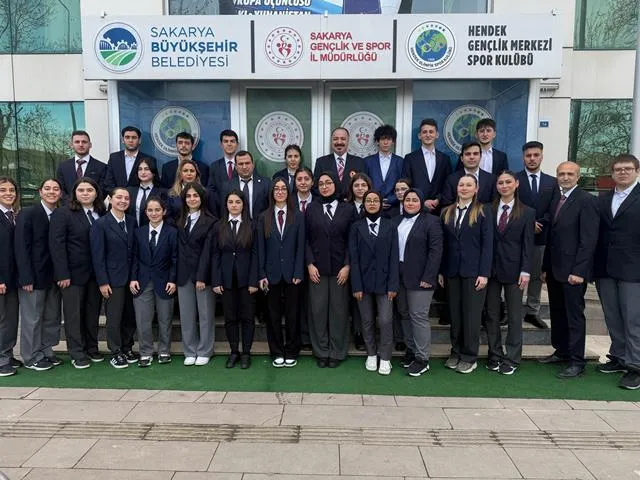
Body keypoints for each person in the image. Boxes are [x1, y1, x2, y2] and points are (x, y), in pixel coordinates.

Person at [540, 161, 599, 378]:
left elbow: (588, 240)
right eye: (561, 174)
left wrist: (580, 271)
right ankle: (562, 350)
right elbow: (552, 236)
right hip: (555, 269)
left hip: (573, 271)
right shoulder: (557, 198)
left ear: (578, 176)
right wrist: (545, 267)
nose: (565, 177)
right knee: (558, 312)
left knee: (574, 316)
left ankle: (577, 360)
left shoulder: (586, 201)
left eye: (569, 174)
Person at [594, 154, 640, 389]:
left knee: (633, 319)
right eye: (618, 169)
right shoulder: (604, 199)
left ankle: (635, 366)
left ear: (636, 171)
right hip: (605, 268)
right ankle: (620, 357)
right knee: (612, 316)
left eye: (627, 169)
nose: (622, 172)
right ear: (612, 173)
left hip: (633, 269)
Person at [439, 174, 493, 374]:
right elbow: (444, 245)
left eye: (469, 185)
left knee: (471, 316)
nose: (464, 188)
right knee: (455, 315)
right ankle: (456, 351)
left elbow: (488, 245)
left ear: (476, 189)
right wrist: (442, 271)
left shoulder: (483, 211)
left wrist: (484, 273)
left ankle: (470, 356)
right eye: (461, 185)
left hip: (474, 273)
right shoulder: (447, 212)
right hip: (452, 272)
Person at [49, 177, 105, 369]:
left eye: (90, 190)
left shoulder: (100, 212)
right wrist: (62, 273)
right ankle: (77, 352)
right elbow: (57, 245)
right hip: (72, 275)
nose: (85, 193)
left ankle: (91, 347)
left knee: (92, 313)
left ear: (96, 193)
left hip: (95, 274)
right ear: (74, 193)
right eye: (81, 190)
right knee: (74, 315)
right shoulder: (63, 213)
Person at [485, 171, 535, 375]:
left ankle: (512, 357)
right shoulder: (488, 209)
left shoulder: (527, 212)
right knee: (491, 314)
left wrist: (526, 270)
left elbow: (528, 244)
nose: (504, 186)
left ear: (516, 184)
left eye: (508, 182)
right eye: (500, 183)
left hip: (515, 270)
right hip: (491, 269)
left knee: (514, 315)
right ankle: (494, 353)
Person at [305, 172, 356, 368]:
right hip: (316, 269)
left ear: (336, 185)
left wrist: (347, 265)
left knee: (339, 311)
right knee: (317, 311)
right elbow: (306, 239)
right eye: (321, 184)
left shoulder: (348, 209)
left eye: (328, 183)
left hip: (340, 269)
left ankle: (337, 351)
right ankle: (321, 351)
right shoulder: (311, 209)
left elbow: (353, 240)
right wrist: (309, 263)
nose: (325, 186)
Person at [350, 190, 400, 375]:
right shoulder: (356, 227)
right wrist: (356, 285)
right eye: (368, 201)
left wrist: (393, 285)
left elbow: (394, 257)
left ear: (381, 204)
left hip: (385, 283)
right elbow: (353, 259)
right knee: (367, 320)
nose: (372, 203)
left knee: (386, 321)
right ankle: (371, 354)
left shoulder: (390, 226)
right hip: (363, 283)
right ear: (364, 205)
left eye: (375, 200)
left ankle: (385, 357)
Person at [15, 178, 63, 372]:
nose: (52, 192)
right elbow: (21, 247)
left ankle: (46, 350)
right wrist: (25, 277)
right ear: (40, 192)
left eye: (56, 189)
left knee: (51, 316)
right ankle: (31, 355)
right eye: (48, 189)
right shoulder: (28, 213)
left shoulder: (59, 214)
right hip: (33, 277)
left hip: (54, 276)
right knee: (32, 318)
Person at [394, 188, 443, 376]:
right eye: (407, 200)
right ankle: (411, 350)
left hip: (421, 278)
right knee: (404, 313)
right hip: (399, 276)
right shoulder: (397, 221)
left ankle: (423, 358)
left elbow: (435, 251)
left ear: (421, 202)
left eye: (414, 200)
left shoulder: (431, 222)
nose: (410, 203)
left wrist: (429, 277)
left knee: (418, 316)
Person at [257, 179, 305, 367]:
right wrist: (261, 274)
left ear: (288, 192)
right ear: (271, 193)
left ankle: (292, 350)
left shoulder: (298, 216)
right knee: (273, 315)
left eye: (283, 188)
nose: (280, 191)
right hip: (271, 274)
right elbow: (261, 248)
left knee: (293, 314)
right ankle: (276, 351)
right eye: (276, 189)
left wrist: (299, 271)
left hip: (293, 273)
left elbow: (300, 246)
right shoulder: (264, 217)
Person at [90, 187, 137, 369]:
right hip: (112, 279)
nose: (123, 201)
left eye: (126, 198)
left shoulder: (132, 222)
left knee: (129, 316)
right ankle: (115, 351)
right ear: (110, 199)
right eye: (119, 197)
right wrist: (103, 282)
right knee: (114, 317)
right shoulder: (100, 224)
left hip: (130, 279)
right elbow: (97, 256)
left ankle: (127, 347)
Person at [130, 197, 178, 367]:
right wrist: (133, 278)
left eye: (157, 210)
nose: (154, 213)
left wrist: (173, 280)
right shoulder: (139, 232)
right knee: (143, 319)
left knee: (165, 319)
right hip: (142, 281)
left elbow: (175, 259)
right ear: (145, 212)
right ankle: (145, 352)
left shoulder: (172, 232)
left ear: (164, 211)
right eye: (150, 210)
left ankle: (164, 350)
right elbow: (134, 257)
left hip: (165, 281)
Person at [213, 191, 259, 369]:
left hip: (247, 280)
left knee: (247, 317)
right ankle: (234, 351)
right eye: (230, 202)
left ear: (243, 205)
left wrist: (254, 281)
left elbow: (256, 254)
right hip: (226, 280)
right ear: (226, 205)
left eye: (237, 202)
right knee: (230, 318)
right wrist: (216, 281)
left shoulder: (252, 226)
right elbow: (215, 255)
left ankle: (246, 352)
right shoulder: (218, 226)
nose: (234, 205)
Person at [516, 141, 559, 329]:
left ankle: (532, 311)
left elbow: (555, 207)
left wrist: (540, 223)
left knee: (535, 275)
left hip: (541, 235)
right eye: (528, 155)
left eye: (535, 155)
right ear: (523, 157)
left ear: (541, 156)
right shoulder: (514, 179)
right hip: (517, 235)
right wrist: (528, 223)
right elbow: (510, 204)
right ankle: (512, 310)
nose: (532, 158)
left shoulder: (552, 182)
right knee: (515, 274)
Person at [176, 182, 217, 367]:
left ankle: (205, 350)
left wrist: (202, 276)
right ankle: (190, 350)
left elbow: (209, 252)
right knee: (186, 315)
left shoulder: (211, 222)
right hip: (183, 275)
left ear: (202, 198)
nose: (192, 199)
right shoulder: (178, 220)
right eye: (188, 196)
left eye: (195, 196)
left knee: (205, 314)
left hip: (202, 276)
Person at [402, 119, 451, 213]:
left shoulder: (445, 159)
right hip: (416, 208)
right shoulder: (410, 158)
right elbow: (406, 183)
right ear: (419, 136)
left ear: (437, 135)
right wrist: (421, 200)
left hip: (439, 209)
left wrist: (438, 200)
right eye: (424, 132)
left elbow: (447, 183)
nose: (428, 135)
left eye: (431, 132)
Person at [0, 177, 20, 376]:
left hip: (13, 279)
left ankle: (7, 353)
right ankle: (1, 359)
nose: (8, 193)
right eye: (3, 190)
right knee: (3, 320)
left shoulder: (13, 215)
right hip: (2, 280)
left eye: (11, 190)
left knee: (11, 319)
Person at [104, 126, 158, 195]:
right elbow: (108, 182)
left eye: (134, 137)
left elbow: (154, 183)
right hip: (117, 201)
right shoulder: (114, 158)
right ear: (122, 140)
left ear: (139, 140)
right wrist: (118, 196)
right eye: (127, 137)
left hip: (139, 201)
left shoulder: (150, 159)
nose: (130, 140)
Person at [314, 127, 364, 200]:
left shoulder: (359, 162)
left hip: (352, 206)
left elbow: (363, 187)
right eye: (335, 139)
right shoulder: (321, 162)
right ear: (331, 141)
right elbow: (316, 187)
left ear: (348, 141)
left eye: (343, 139)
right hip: (330, 206)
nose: (339, 142)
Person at [218, 151, 270, 220]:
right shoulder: (227, 186)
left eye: (247, 163)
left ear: (253, 164)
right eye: (240, 164)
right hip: (238, 227)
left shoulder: (266, 183)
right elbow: (224, 211)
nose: (244, 167)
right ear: (236, 167)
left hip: (261, 226)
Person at [364, 125, 404, 214]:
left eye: (389, 139)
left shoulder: (400, 161)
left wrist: (391, 199)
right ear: (377, 141)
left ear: (393, 141)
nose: (385, 142)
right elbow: (365, 184)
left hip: (394, 208)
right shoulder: (367, 161)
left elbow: (403, 184)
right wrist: (376, 200)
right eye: (382, 139)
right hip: (372, 207)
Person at [442, 141, 496, 206]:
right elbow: (446, 205)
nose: (472, 157)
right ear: (461, 158)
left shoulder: (491, 179)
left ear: (480, 157)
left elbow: (494, 205)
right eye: (468, 154)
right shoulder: (451, 179)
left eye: (475, 154)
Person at [56, 130, 106, 199]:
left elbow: (102, 191)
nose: (81, 144)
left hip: (93, 208)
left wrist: (88, 203)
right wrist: (72, 204)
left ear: (90, 145)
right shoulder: (63, 167)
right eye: (77, 142)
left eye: (84, 142)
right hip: (68, 208)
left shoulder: (102, 167)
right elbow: (61, 190)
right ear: (71, 145)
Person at [126, 157, 167, 227]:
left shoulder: (162, 192)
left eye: (147, 169)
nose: (143, 172)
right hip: (132, 233)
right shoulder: (129, 191)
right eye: (140, 169)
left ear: (153, 172)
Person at [207, 129, 239, 194]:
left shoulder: (244, 165)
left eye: (232, 141)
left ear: (237, 145)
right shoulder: (214, 166)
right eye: (226, 141)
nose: (229, 144)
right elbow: (211, 190)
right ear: (221, 145)